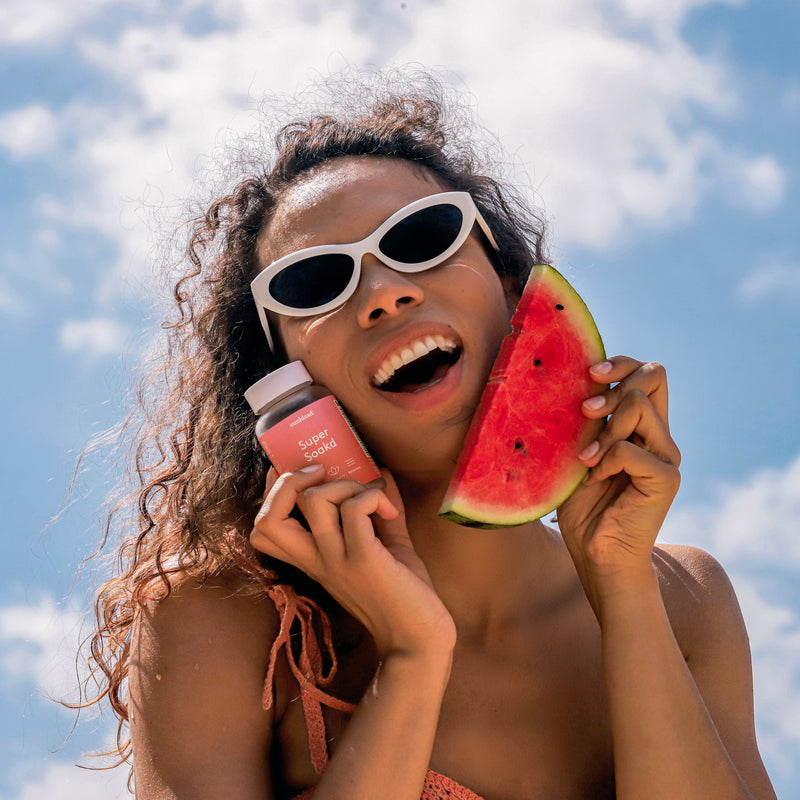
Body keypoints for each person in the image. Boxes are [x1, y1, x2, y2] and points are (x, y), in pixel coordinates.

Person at [82, 73, 777, 800]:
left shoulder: (685, 597)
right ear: (287, 379)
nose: (384, 292)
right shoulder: (223, 624)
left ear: (514, 288)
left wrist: (624, 585)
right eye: (314, 283)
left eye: (422, 237)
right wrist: (413, 657)